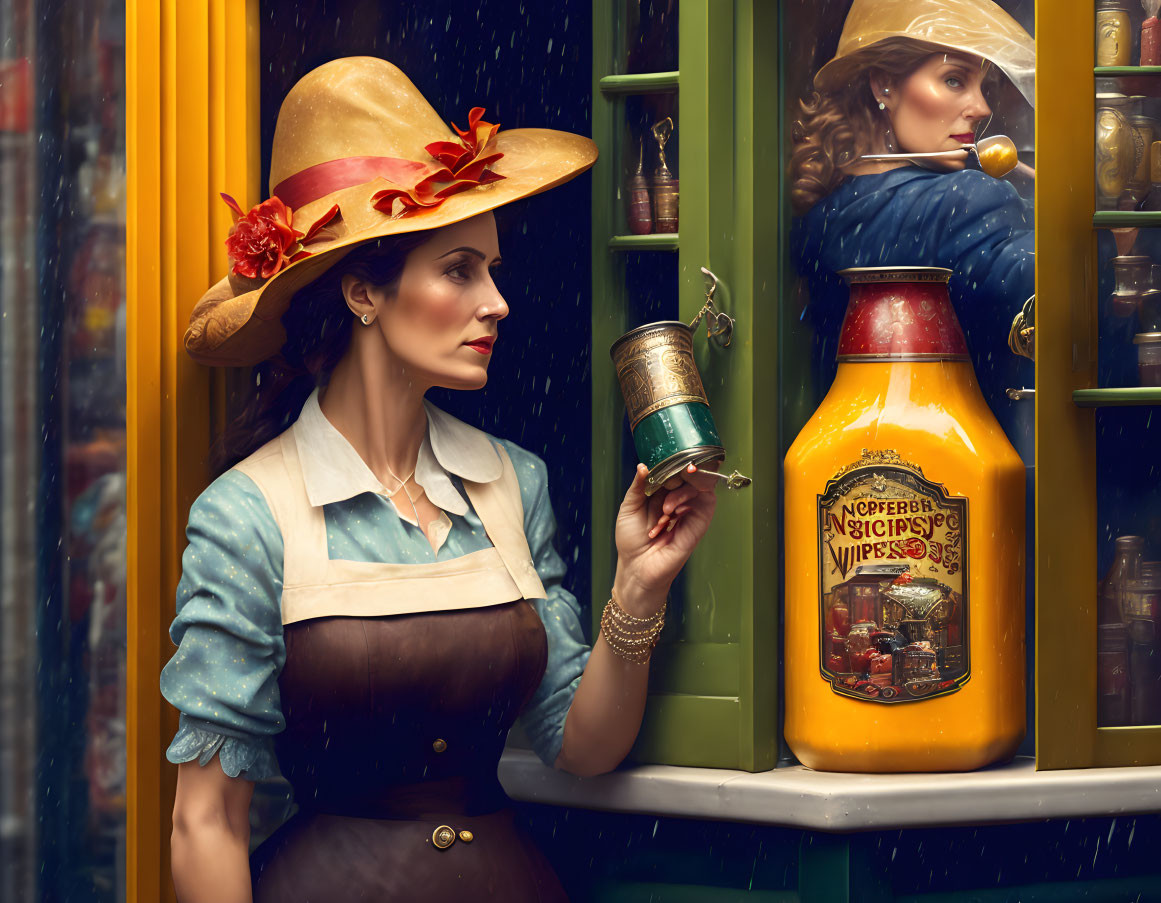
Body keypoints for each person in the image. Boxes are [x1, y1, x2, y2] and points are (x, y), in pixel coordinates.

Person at [160, 57, 717, 902]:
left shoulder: (509, 480)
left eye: (491, 271)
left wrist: (639, 583)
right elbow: (204, 821)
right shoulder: (249, 513)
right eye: (459, 269)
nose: (496, 302)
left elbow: (581, 744)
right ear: (362, 293)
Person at [789, 0, 1035, 452]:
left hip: (846, 463)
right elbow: (1056, 303)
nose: (981, 108)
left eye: (984, 86)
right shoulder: (967, 201)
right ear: (884, 84)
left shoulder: (824, 218)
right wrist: (1088, 220)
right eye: (955, 80)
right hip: (967, 463)